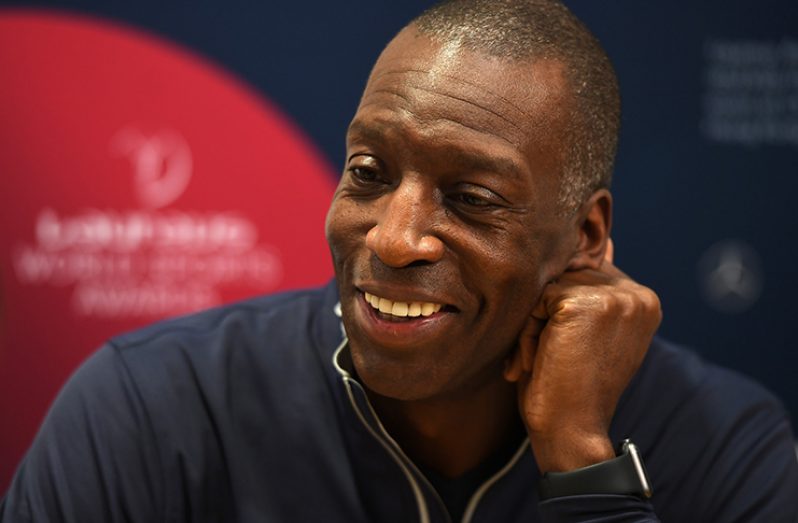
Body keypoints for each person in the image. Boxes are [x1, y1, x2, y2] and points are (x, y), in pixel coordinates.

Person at [2, 0, 797, 521]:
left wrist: (582, 462)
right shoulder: (152, 408)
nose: (392, 237)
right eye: (369, 172)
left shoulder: (722, 442)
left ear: (586, 235)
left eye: (472, 196)